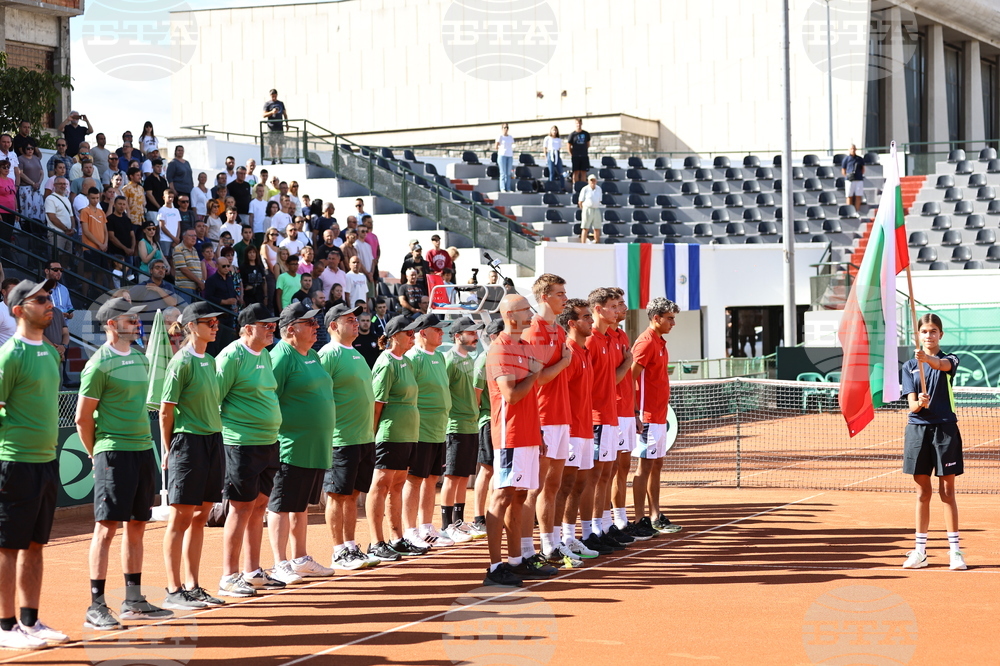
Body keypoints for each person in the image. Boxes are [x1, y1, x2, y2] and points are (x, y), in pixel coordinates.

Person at [75, 298, 173, 629]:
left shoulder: (138, 358)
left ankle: (133, 601)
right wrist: (95, 454)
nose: (136, 323)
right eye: (130, 319)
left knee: (137, 526)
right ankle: (96, 606)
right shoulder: (98, 364)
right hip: (112, 453)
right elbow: (82, 419)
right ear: (112, 325)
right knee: (106, 529)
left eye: (136, 319)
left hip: (143, 451)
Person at [0, 279, 68, 650]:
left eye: (49, 298)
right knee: (8, 547)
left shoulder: (50, 353)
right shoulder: (10, 354)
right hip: (15, 462)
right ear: (17, 309)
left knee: (35, 545)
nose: (49, 304)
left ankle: (30, 621)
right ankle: (5, 625)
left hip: (46, 461)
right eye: (40, 299)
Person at [484, 294, 558, 587]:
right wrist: (534, 373)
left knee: (518, 496)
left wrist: (537, 431)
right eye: (527, 310)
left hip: (527, 433)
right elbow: (512, 395)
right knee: (502, 496)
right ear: (511, 316)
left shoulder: (524, 346)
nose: (531, 315)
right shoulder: (499, 349)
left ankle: (516, 561)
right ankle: (494, 567)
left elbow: (534, 389)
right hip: (510, 433)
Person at [160, 302, 228, 611]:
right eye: (208, 322)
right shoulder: (181, 362)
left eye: (215, 322)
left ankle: (193, 585)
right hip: (188, 443)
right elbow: (165, 412)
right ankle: (173, 588)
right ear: (191, 326)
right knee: (180, 517)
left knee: (201, 516)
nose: (215, 326)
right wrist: (168, 450)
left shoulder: (211, 361)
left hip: (213, 441)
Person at [265, 303, 337, 583]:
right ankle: (279, 562)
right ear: (291, 328)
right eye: (310, 323)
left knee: (300, 506)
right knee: (281, 505)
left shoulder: (314, 356)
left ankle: (300, 558)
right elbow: (271, 398)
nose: (316, 327)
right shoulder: (281, 357)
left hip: (314, 445)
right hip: (289, 445)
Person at [217, 304, 284, 597]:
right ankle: (229, 576)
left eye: (273, 326)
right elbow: (213, 399)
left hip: (268, 441)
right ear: (247, 329)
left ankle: (252, 571)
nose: (271, 330)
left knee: (259, 506)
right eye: (265, 326)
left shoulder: (266, 355)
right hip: (240, 443)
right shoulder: (232, 355)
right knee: (240, 507)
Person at [521, 274, 581, 568]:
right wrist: (563, 363)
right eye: (559, 293)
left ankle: (550, 545)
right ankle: (524, 551)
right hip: (543, 417)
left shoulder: (558, 331)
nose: (565, 298)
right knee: (534, 487)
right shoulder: (535, 332)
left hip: (561, 417)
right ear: (544, 297)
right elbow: (538, 378)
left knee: (553, 485)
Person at [318, 304, 383, 567]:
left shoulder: (355, 354)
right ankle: (338, 551)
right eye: (349, 319)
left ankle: (350, 546)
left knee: (354, 494)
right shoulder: (328, 355)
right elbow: (320, 397)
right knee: (337, 494)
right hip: (340, 438)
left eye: (357, 319)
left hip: (363, 437)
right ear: (333, 326)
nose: (356, 322)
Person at [900, 314, 966, 571]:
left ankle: (955, 552)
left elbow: (942, 365)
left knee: (947, 492)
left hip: (945, 430)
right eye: (925, 331)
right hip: (917, 431)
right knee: (922, 493)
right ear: (919, 334)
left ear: (941, 334)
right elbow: (911, 404)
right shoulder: (908, 367)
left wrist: (928, 359)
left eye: (934, 331)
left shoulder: (951, 359)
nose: (929, 335)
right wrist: (920, 404)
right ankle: (920, 552)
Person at [367, 315, 428, 558]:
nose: (413, 337)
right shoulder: (385, 362)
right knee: (381, 485)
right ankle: (376, 542)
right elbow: (377, 405)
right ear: (394, 336)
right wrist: (372, 437)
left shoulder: (406, 361)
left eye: (414, 333)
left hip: (408, 432)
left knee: (399, 484)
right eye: (408, 333)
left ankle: (397, 537)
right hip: (390, 433)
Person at [554, 299, 603, 560]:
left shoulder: (583, 352)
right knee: (563, 486)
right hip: (570, 430)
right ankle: (553, 542)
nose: (591, 321)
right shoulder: (568, 351)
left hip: (585, 429)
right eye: (586, 317)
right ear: (572, 323)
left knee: (579, 484)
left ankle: (570, 538)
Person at [630, 297, 683, 536]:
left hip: (660, 415)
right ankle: (640, 518)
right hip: (647, 416)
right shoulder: (644, 343)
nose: (673, 323)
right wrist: (634, 413)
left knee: (656, 465)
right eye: (670, 318)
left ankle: (654, 515)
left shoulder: (660, 342)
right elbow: (629, 378)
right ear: (656, 318)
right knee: (644, 467)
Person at [402, 314, 453, 549]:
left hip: (438, 428)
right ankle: (410, 530)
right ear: (423, 333)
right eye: (437, 329)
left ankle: (426, 527)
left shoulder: (440, 357)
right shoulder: (413, 357)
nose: (442, 333)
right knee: (414, 480)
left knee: (432, 479)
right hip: (419, 429)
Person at [584, 287, 629, 554]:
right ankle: (590, 530)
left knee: (606, 474)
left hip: (610, 416)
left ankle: (601, 526)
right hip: (597, 418)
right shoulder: (591, 340)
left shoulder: (610, 338)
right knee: (593, 478)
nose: (618, 310)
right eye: (613, 306)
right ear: (598, 309)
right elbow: (607, 380)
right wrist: (626, 365)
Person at [607, 290, 650, 543]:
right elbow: (617, 377)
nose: (623, 307)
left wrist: (634, 412)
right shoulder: (596, 338)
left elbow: (628, 382)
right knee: (608, 471)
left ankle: (621, 520)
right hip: (611, 413)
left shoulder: (622, 335)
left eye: (622, 303)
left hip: (625, 413)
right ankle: (608, 522)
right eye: (617, 304)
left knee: (622, 468)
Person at [440, 316, 484, 543]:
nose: (475, 336)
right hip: (455, 425)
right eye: (471, 333)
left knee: (463, 475)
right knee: (452, 476)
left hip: (471, 424)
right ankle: (447, 525)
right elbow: (442, 391)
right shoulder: (449, 360)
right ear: (458, 336)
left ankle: (458, 521)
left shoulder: (470, 359)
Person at [469, 318, 503, 539]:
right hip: (488, 420)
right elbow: (476, 396)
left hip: (502, 421)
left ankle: (493, 513)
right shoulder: (484, 359)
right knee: (487, 469)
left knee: (498, 469)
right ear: (493, 337)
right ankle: (479, 517)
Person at [204, 258, 240, 327]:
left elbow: (232, 292)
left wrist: (235, 303)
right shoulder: (211, 280)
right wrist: (224, 301)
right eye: (224, 266)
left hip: (230, 313)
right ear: (217, 266)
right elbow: (208, 297)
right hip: (218, 314)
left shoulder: (230, 278)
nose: (226, 268)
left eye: (228, 266)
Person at [173, 229, 204, 294]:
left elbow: (197, 269)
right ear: (184, 237)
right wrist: (199, 282)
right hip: (185, 288)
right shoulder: (178, 249)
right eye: (191, 236)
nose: (194, 238)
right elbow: (184, 270)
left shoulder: (194, 249)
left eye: (195, 236)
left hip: (196, 287)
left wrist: (200, 282)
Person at [263, 89, 288, 164]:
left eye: (274, 95)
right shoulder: (267, 104)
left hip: (279, 126)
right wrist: (272, 112)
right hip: (271, 126)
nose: (273, 97)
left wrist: (286, 123)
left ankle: (279, 159)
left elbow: (284, 113)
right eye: (272, 96)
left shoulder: (280, 103)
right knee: (272, 144)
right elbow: (264, 115)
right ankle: (273, 159)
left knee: (280, 144)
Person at [578, 173, 604, 244]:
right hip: (587, 208)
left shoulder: (599, 189)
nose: (593, 182)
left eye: (594, 180)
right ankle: (583, 243)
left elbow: (599, 200)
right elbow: (580, 201)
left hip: (596, 208)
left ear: (596, 181)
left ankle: (597, 242)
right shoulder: (585, 189)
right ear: (588, 181)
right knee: (585, 227)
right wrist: (583, 209)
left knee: (597, 227)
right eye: (591, 180)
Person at [568, 118, 592, 186]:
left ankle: (583, 186)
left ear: (581, 123)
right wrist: (572, 154)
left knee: (583, 172)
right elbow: (569, 146)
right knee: (576, 172)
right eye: (577, 123)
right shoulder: (572, 134)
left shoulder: (586, 134)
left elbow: (588, 144)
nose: (578, 124)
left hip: (584, 155)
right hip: (575, 156)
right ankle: (575, 187)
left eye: (579, 123)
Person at [842, 143, 865, 213]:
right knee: (849, 196)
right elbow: (843, 170)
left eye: (854, 149)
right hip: (849, 180)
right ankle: (849, 211)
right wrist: (848, 176)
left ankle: (857, 211)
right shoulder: (846, 159)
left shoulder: (860, 159)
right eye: (851, 149)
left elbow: (863, 169)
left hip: (858, 179)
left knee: (858, 196)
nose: (853, 150)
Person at [543, 125, 566, 192]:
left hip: (556, 154)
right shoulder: (547, 138)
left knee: (561, 172)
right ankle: (551, 187)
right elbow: (545, 147)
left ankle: (562, 187)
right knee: (551, 172)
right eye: (553, 130)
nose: (554, 131)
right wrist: (545, 156)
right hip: (550, 154)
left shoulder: (558, 139)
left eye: (555, 130)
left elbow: (559, 148)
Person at [495, 123, 514, 192]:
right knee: (503, 173)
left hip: (509, 155)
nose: (506, 129)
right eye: (504, 127)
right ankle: (502, 188)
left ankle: (508, 188)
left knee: (508, 173)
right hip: (502, 155)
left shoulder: (510, 137)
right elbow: (496, 146)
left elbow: (511, 144)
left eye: (507, 127)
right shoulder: (500, 136)